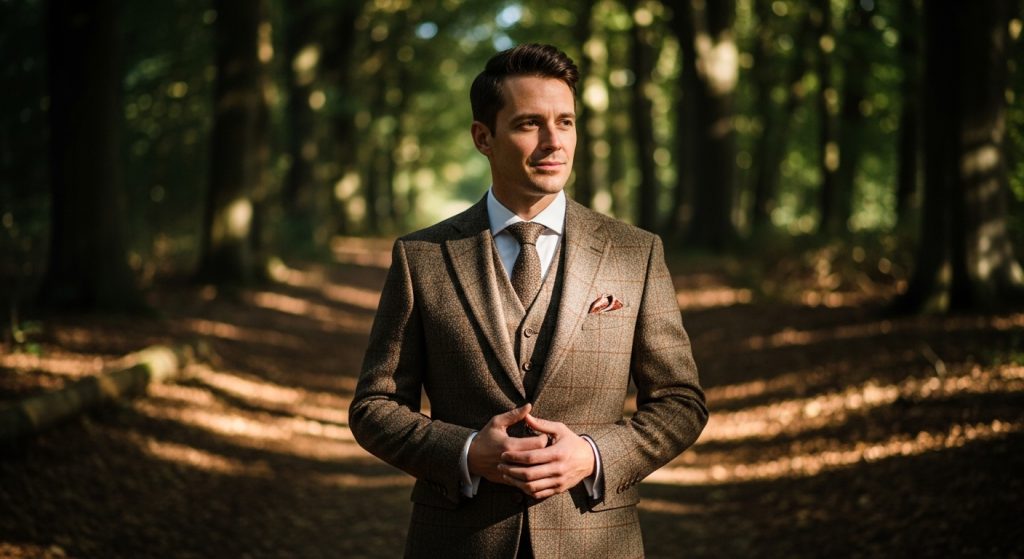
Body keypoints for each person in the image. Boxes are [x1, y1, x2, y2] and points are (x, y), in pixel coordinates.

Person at [349, 43, 708, 559]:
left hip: (596, 543)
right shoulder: (422, 257)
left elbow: (681, 403)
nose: (553, 142)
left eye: (565, 122)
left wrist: (592, 455)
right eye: (528, 124)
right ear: (483, 137)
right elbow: (374, 407)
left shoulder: (636, 252)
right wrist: (468, 453)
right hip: (457, 543)